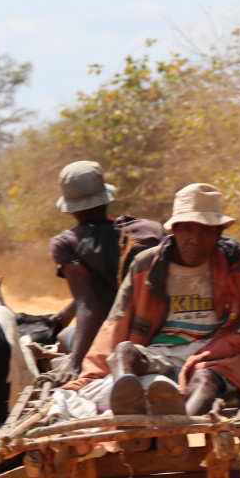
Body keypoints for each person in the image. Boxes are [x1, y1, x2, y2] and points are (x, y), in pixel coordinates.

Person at [63, 183, 240, 418]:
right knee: (123, 352)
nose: (195, 239)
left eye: (206, 231)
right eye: (187, 229)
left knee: (206, 380)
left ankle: (177, 431)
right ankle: (128, 405)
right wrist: (85, 380)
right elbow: (115, 325)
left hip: (214, 357)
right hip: (160, 354)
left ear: (218, 234)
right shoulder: (146, 265)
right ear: (175, 230)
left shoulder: (235, 262)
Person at [48, 161, 164, 385]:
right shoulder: (151, 230)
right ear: (106, 197)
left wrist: (76, 362)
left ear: (71, 208)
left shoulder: (67, 242)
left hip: (107, 338)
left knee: (63, 338)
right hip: (156, 331)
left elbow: (89, 304)